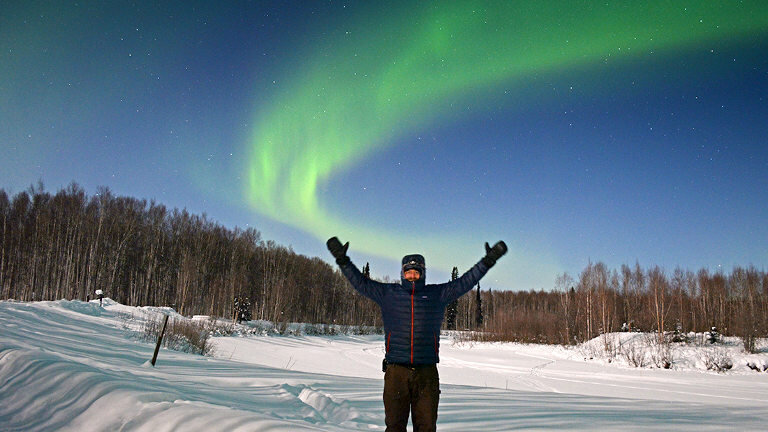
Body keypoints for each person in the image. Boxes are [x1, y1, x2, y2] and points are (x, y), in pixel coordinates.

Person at [327, 237, 507, 432]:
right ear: (403, 273)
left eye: (416, 272)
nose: (412, 276)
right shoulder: (388, 294)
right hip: (396, 372)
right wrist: (343, 260)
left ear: (423, 274)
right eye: (408, 272)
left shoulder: (437, 295)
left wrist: (488, 261)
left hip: (426, 374)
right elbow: (360, 283)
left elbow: (466, 282)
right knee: (395, 426)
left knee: (426, 427)